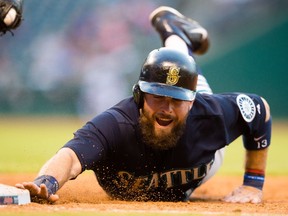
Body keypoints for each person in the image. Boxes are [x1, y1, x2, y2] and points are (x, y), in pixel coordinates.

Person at [16, 6, 271, 204]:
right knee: (181, 78)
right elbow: (70, 158)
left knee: (189, 81)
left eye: (177, 101)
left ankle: (176, 35)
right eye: (157, 96)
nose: (166, 107)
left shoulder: (209, 112)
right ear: (139, 96)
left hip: (208, 161)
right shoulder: (116, 124)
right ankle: (176, 34)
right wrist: (47, 182)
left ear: (191, 103)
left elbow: (259, 111)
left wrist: (253, 183)